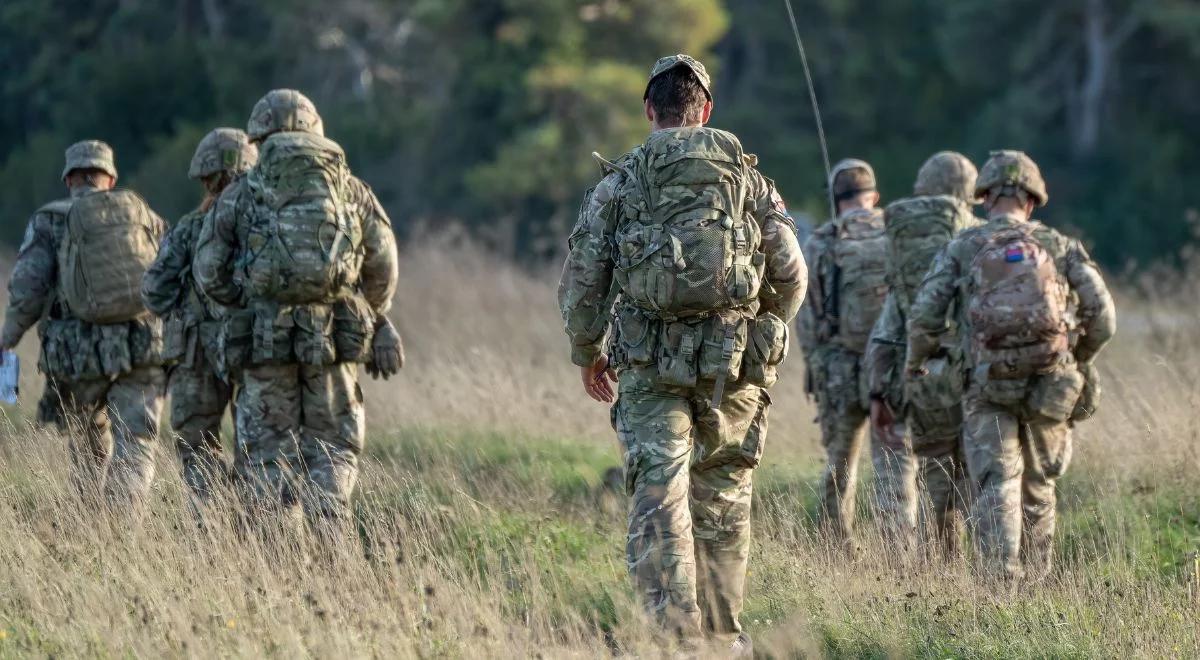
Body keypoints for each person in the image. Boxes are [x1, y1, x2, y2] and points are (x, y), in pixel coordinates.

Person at [558, 54, 807, 654]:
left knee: (658, 494)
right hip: (733, 367)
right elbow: (792, 274)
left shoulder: (621, 181)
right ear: (707, 109)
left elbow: (584, 282)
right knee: (723, 496)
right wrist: (765, 327)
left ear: (650, 109)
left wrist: (588, 352)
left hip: (647, 370)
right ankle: (725, 637)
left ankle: (674, 638)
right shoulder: (749, 180)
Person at [194, 89, 401, 529]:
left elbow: (208, 269)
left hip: (264, 346)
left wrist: (248, 302)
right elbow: (384, 264)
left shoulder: (243, 191)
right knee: (333, 453)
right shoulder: (351, 187)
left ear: (258, 138)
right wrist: (366, 311)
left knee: (267, 463)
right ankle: (333, 559)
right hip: (334, 346)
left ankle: (276, 575)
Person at [906, 150, 1116, 582]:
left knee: (997, 482)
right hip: (1050, 382)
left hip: (987, 385)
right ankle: (1037, 590)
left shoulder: (964, 246)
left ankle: (1000, 590)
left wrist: (917, 361)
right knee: (1038, 486)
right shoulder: (1058, 246)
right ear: (1033, 200)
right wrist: (1078, 359)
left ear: (984, 199)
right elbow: (1104, 317)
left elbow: (925, 314)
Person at [0, 140, 167, 508]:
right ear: (110, 179)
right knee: (136, 444)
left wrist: (7, 339)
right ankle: (122, 534)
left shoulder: (49, 220)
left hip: (78, 355)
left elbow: (29, 288)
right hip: (143, 347)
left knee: (87, 445)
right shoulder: (143, 214)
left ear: (69, 179)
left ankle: (90, 527)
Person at [865, 151, 980, 558]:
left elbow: (890, 318)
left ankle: (907, 563)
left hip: (903, 368)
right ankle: (957, 559)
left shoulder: (898, 239)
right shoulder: (977, 237)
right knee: (963, 468)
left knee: (910, 470)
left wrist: (878, 388)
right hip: (957, 372)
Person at [800, 158, 917, 552]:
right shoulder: (897, 234)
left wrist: (815, 368)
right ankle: (898, 551)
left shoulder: (821, 241)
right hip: (890, 369)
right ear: (875, 196)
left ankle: (837, 547)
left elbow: (808, 315)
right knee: (895, 461)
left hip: (838, 368)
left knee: (839, 464)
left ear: (836, 200)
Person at [142, 128, 257, 509]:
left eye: (208, 178)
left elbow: (155, 289)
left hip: (197, 353)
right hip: (257, 349)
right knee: (258, 449)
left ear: (216, 178)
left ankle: (209, 532)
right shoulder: (264, 222)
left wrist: (187, 306)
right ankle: (255, 528)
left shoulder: (193, 225)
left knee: (197, 449)